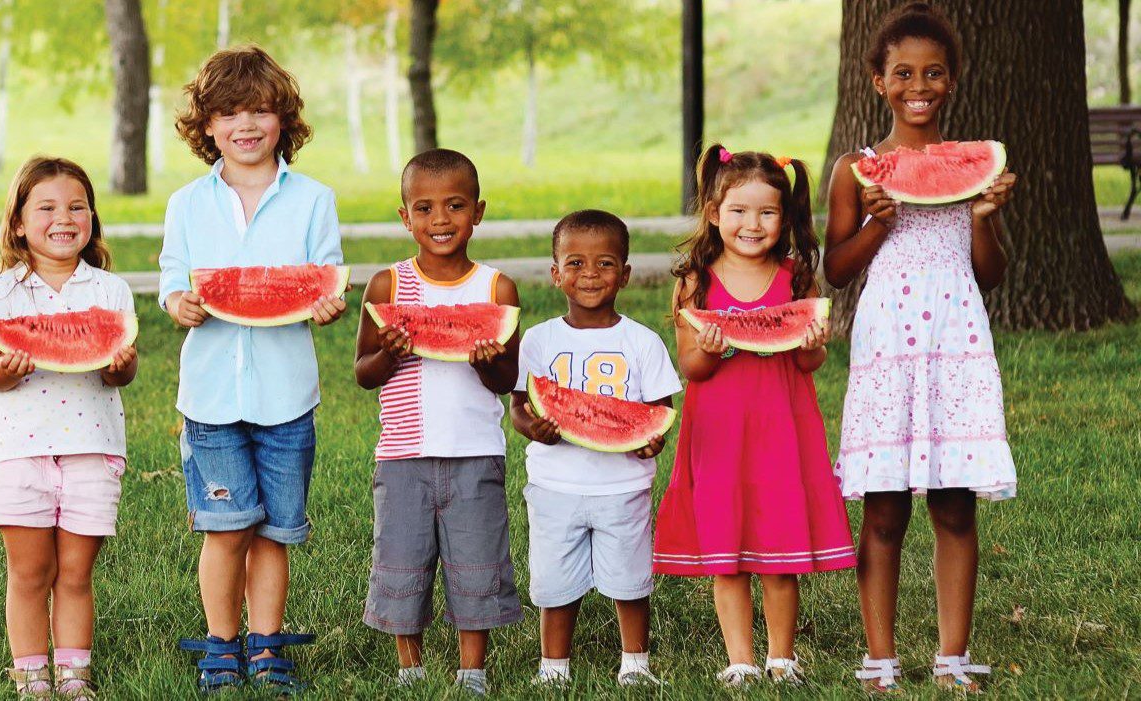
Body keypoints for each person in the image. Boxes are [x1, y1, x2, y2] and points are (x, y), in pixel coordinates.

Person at [822, 3, 1017, 692]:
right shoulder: (857, 168)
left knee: (955, 503)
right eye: (902, 72)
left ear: (953, 79)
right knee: (882, 507)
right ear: (876, 79)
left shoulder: (973, 166)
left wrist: (986, 217)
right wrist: (878, 223)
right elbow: (836, 269)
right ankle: (881, 657)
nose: (919, 84)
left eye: (934, 72)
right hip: (887, 347)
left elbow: (990, 274)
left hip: (956, 339)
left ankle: (952, 655)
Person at [158, 45, 347, 692]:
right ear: (207, 125)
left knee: (275, 530)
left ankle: (266, 642)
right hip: (209, 398)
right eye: (230, 111)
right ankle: (220, 640)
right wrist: (178, 302)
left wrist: (326, 304)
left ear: (283, 120)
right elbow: (172, 277)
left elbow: (324, 274)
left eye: (261, 110)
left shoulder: (314, 198)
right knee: (225, 526)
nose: (247, 124)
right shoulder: (187, 203)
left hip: (287, 395)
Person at [654, 145, 854, 686]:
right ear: (714, 214)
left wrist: (814, 339)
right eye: (738, 211)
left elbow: (809, 360)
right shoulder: (696, 280)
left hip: (782, 430)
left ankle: (782, 657)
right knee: (727, 551)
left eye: (766, 212)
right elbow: (692, 368)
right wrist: (712, 349)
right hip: (719, 433)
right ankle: (739, 659)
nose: (752, 224)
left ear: (785, 219)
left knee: (780, 550)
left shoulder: (795, 279)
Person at [354, 149, 522, 696]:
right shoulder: (387, 287)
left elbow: (505, 379)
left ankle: (472, 671)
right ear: (405, 217)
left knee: (477, 563)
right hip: (402, 457)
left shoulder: (497, 290)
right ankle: (411, 669)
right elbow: (362, 373)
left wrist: (487, 359)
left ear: (478, 211)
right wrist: (390, 354)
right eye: (424, 208)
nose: (441, 220)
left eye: (455, 205)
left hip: (476, 451)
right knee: (402, 564)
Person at [0, 156, 138, 699]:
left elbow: (125, 368)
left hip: (92, 447)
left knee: (75, 572)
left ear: (92, 217)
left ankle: (73, 673)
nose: (63, 217)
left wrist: (117, 364)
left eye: (77, 206)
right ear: (18, 222)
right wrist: (7, 365)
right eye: (45, 207)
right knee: (28, 572)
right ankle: (30, 676)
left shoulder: (110, 291)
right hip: (18, 453)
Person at [510, 209, 679, 688]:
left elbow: (658, 412)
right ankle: (553, 667)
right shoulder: (539, 340)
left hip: (623, 486)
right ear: (555, 273)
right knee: (554, 583)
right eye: (576, 263)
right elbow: (520, 405)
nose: (590, 275)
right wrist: (532, 427)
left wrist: (650, 440)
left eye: (605, 264)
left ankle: (635, 663)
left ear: (625, 275)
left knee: (630, 580)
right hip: (553, 486)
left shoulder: (641, 342)